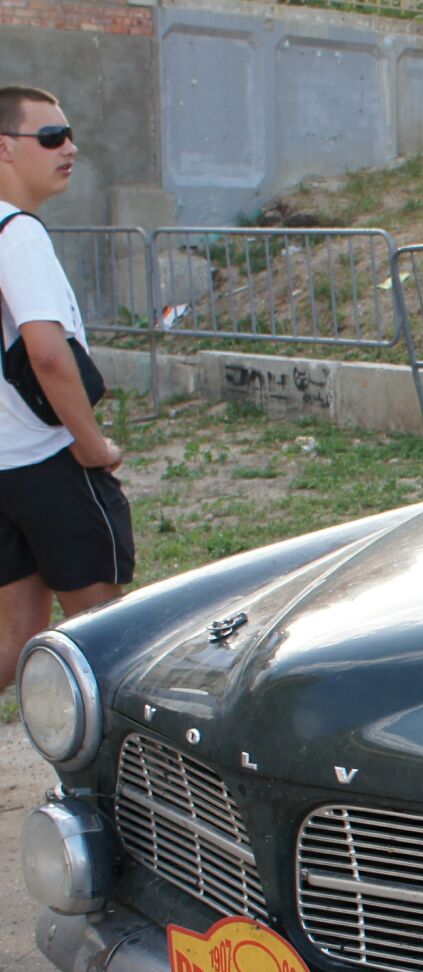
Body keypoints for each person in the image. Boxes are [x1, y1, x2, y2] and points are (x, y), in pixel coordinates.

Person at [0, 85, 131, 693]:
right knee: (105, 638)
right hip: (51, 463)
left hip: (2, 468)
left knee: (13, 639)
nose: (69, 148)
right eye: (51, 137)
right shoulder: (18, 235)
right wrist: (92, 445)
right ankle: (108, 786)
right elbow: (48, 353)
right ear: (5, 148)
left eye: (70, 134)